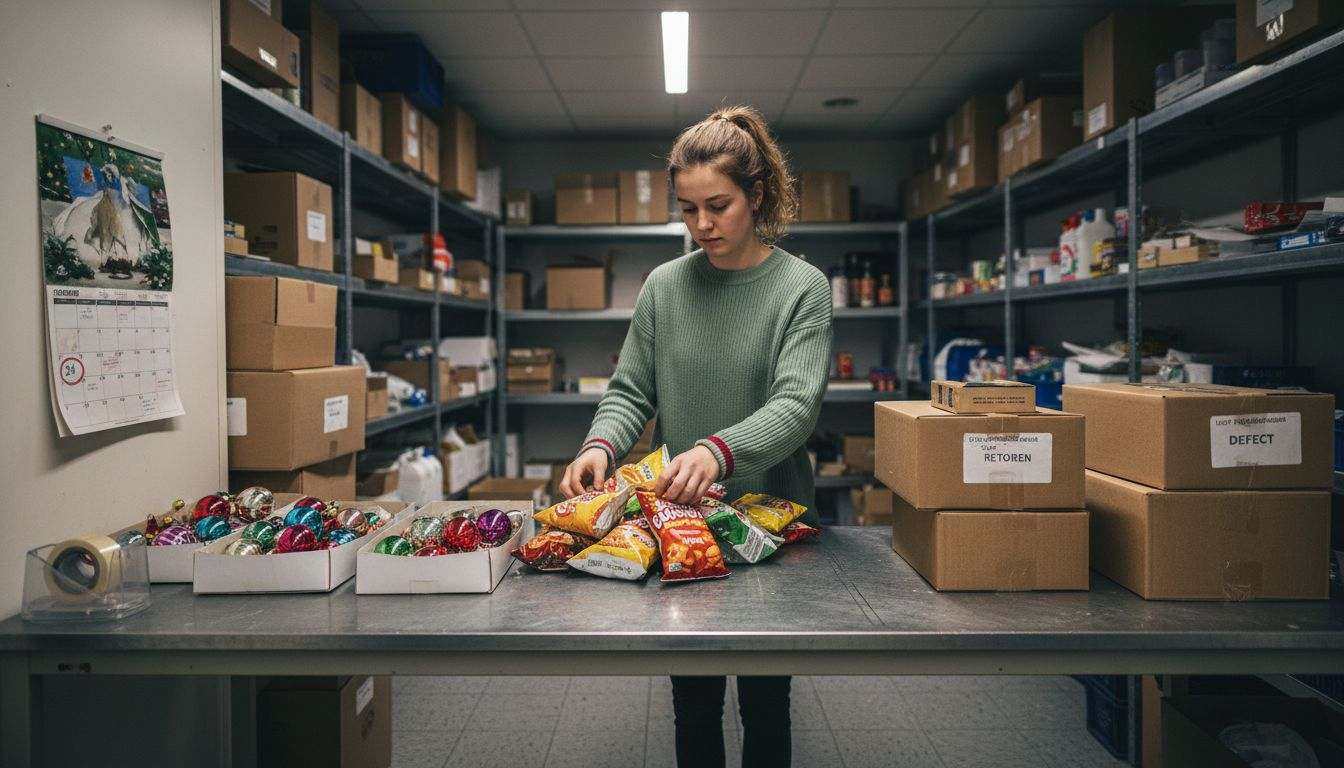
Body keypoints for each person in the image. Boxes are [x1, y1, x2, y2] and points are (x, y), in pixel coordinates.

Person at [559, 105, 832, 768]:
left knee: (766, 703)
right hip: (685, 530)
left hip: (774, 528)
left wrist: (717, 450)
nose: (703, 226)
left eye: (719, 205)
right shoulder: (664, 287)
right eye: (687, 209)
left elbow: (795, 406)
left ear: (757, 195)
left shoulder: (801, 288)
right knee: (694, 699)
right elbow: (630, 392)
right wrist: (600, 446)